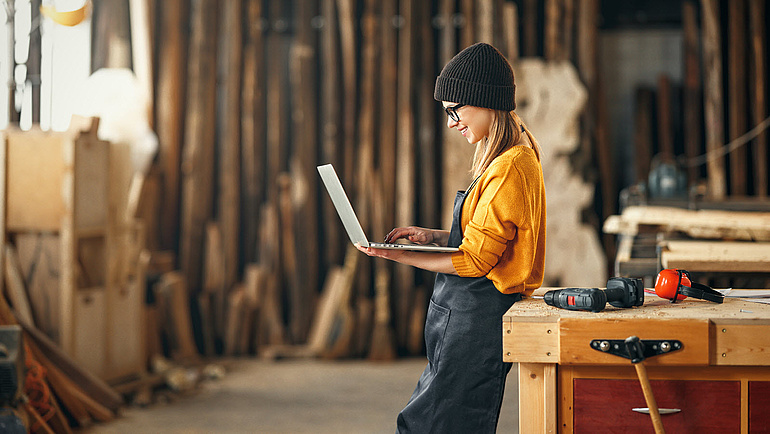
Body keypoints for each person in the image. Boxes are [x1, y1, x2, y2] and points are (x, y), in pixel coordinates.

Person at [357, 42, 546, 433]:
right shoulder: (505, 156)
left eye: (454, 111)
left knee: (437, 424)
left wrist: (393, 255)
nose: (451, 123)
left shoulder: (510, 165)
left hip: (476, 320)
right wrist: (433, 236)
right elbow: (487, 238)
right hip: (460, 317)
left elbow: (476, 261)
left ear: (483, 100)